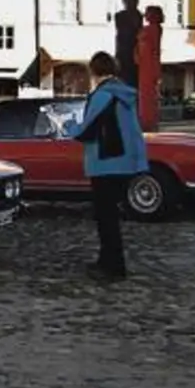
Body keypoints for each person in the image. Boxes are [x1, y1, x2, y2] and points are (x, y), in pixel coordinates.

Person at [64, 52, 148, 281]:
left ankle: (112, 266)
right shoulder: (123, 94)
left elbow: (88, 130)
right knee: (110, 215)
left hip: (106, 162)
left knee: (105, 217)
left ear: (93, 71)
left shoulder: (103, 95)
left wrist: (68, 125)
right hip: (126, 161)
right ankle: (107, 260)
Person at [113, 0, 143, 89]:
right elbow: (121, 34)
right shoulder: (120, 15)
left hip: (134, 52)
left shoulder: (138, 16)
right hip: (125, 51)